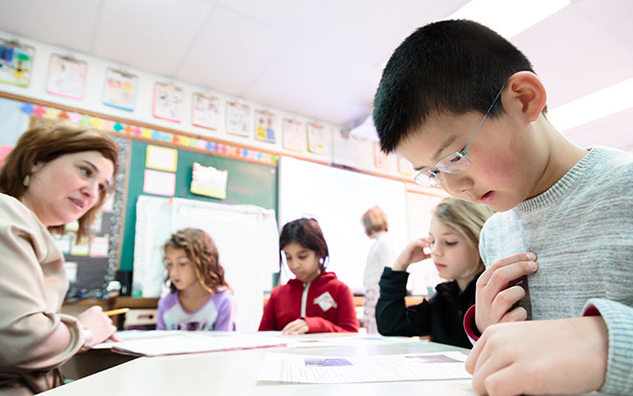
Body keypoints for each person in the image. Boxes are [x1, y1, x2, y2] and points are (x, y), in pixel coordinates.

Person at [373, 19, 633, 396]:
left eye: (455, 157)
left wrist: (608, 343)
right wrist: (488, 330)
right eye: (432, 174)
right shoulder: (494, 232)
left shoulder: (625, 189)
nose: (453, 187)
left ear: (524, 98)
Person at [0, 124, 119, 394]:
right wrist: (85, 331)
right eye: (85, 171)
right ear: (36, 161)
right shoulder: (5, 212)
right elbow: (20, 343)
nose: (92, 192)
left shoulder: (26, 227)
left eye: (102, 186)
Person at [376, 198, 493, 348]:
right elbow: (390, 326)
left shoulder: (493, 295)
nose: (435, 252)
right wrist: (400, 266)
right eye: (432, 241)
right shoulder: (445, 297)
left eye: (450, 242)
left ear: (481, 241)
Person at [258, 218, 358, 334]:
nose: (294, 265)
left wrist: (317, 325)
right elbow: (263, 338)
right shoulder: (278, 295)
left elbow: (351, 335)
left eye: (302, 256)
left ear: (319, 252)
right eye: (288, 257)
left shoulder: (339, 291)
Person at [157, 228, 235, 331]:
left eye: (182, 263)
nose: (173, 272)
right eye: (170, 264)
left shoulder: (222, 301)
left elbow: (224, 345)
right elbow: (159, 344)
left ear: (203, 263)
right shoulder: (165, 304)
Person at [360, 206, 395, 334]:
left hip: (377, 292)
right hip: (373, 291)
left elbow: (388, 268)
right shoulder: (379, 242)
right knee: (372, 326)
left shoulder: (383, 243)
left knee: (376, 328)